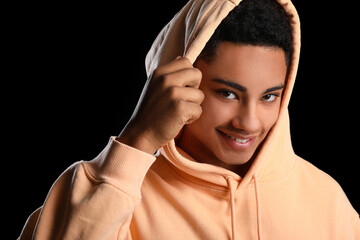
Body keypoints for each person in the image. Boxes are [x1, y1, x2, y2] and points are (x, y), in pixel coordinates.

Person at [19, 0, 359, 239]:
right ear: (178, 81)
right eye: (227, 93)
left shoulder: (327, 201)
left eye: (269, 96)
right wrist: (138, 139)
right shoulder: (100, 193)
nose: (250, 122)